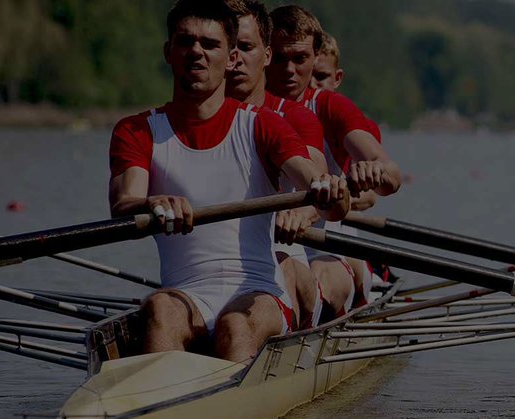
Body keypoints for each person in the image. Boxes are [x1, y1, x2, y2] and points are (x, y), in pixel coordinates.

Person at [108, 0, 348, 363]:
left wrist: (329, 191)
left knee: (235, 325)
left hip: (260, 293)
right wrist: (150, 203)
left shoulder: (261, 125)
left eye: (210, 44)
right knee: (159, 307)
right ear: (168, 52)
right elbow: (125, 204)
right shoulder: (137, 130)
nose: (197, 53)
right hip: (185, 296)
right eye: (186, 42)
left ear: (231, 56)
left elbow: (318, 188)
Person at [266, 5, 401, 320]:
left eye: (299, 59)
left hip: (324, 247)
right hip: (258, 252)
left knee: (316, 276)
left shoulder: (329, 107)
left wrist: (374, 171)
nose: (289, 70)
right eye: (281, 58)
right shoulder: (244, 110)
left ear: (313, 60)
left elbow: (391, 175)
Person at [224, 0, 326, 329]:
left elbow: (318, 181)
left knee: (285, 267)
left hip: (285, 254)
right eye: (231, 47)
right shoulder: (193, 121)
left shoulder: (295, 118)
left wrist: (304, 211)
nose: (237, 57)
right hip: (217, 266)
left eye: (246, 47)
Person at [311, 31, 392, 295]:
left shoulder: (358, 128)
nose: (312, 83)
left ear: (338, 79)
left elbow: (369, 198)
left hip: (336, 241)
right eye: (307, 73)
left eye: (321, 76)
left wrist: (317, 205)